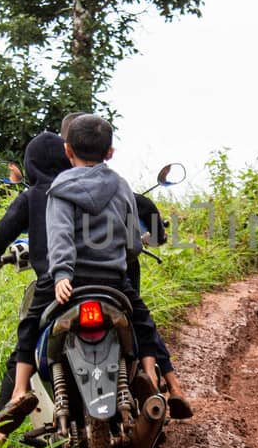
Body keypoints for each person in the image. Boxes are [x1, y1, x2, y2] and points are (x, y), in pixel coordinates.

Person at [47, 114, 194, 418]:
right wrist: (127, 252)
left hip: (72, 285)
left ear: (67, 150)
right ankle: (157, 379)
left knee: (42, 327)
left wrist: (62, 273)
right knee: (142, 323)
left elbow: (59, 234)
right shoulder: (121, 185)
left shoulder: (60, 187)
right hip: (113, 282)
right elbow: (132, 243)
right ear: (110, 152)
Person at [0, 129, 71, 441]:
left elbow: (2, 232)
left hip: (53, 285)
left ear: (29, 166)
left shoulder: (32, 197)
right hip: (100, 278)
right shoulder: (81, 187)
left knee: (27, 338)